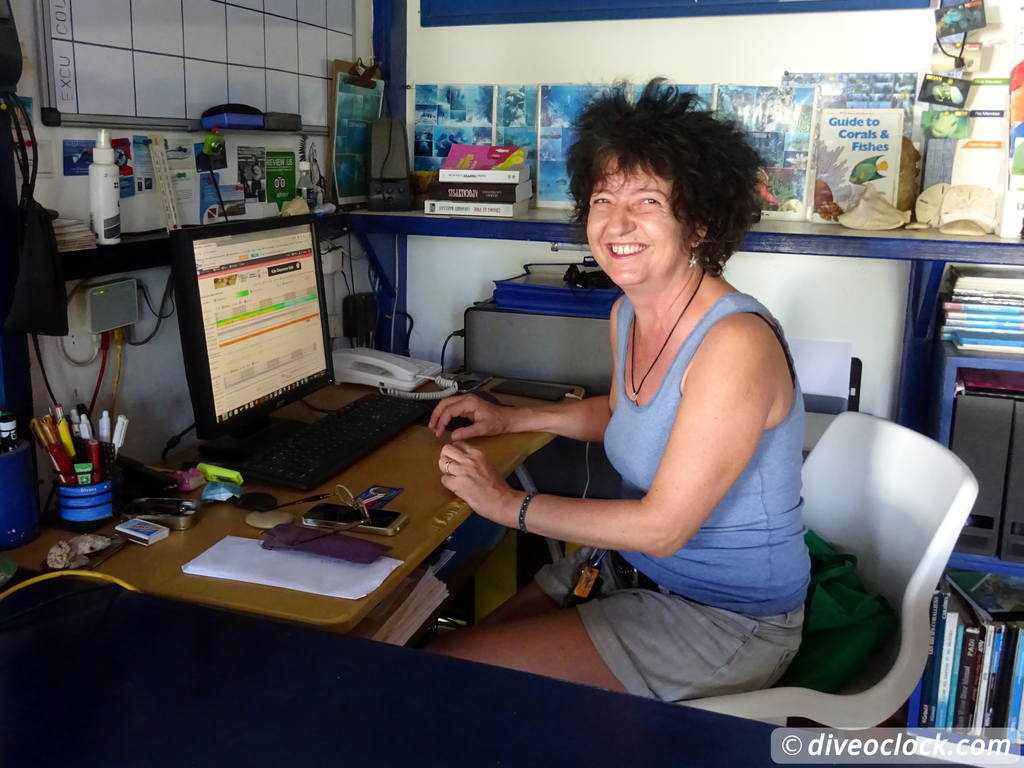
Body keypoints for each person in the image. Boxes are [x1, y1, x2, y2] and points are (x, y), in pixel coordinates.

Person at [426, 79, 810, 703]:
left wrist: (503, 505)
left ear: (700, 222)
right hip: (630, 573)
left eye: (649, 201)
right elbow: (624, 413)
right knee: (439, 660)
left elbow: (663, 528)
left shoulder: (733, 344)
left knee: (449, 683)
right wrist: (508, 420)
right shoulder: (629, 312)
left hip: (725, 620)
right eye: (603, 198)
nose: (617, 223)